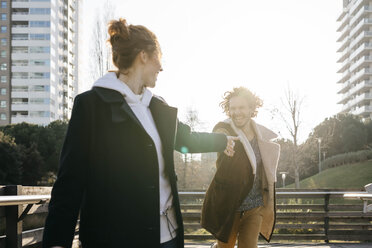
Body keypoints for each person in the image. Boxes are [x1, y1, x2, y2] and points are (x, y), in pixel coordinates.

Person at [42, 18, 237, 248]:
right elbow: (70, 180)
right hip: (116, 240)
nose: (161, 68)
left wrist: (222, 140)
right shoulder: (91, 105)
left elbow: (187, 139)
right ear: (143, 56)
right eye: (159, 59)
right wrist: (56, 241)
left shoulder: (158, 107)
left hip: (169, 237)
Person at [201, 87, 280, 248]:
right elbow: (219, 132)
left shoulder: (260, 135)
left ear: (251, 109)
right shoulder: (225, 128)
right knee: (225, 247)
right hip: (229, 205)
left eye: (241, 107)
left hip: (254, 206)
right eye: (233, 108)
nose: (237, 112)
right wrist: (221, 141)